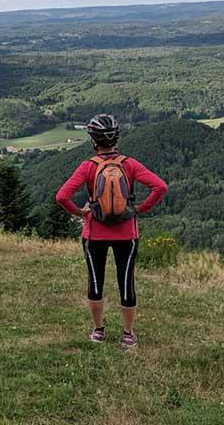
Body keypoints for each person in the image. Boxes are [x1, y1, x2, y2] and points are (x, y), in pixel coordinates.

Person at [56, 114, 167, 350]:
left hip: (94, 233)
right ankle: (128, 335)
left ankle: (98, 331)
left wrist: (80, 213)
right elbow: (160, 186)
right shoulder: (129, 164)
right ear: (116, 137)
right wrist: (139, 209)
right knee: (126, 281)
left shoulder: (89, 166)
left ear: (93, 140)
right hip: (127, 233)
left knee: (96, 281)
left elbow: (61, 196)